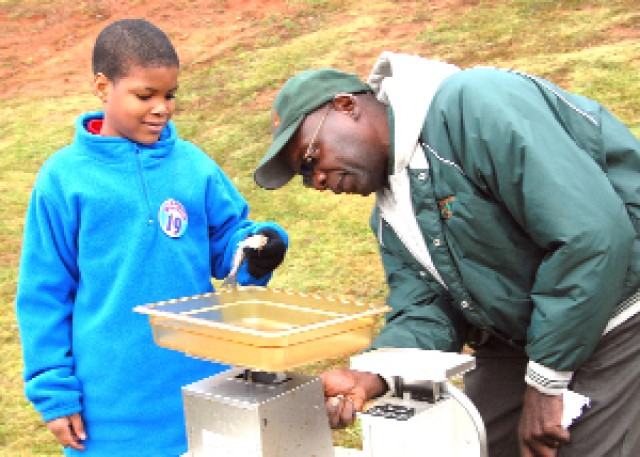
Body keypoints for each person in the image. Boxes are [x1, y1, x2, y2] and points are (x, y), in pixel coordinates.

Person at [253, 51, 640, 457]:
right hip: (523, 336)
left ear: (346, 106)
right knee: (479, 444)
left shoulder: (476, 105)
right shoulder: (390, 216)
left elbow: (591, 236)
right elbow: (426, 308)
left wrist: (545, 383)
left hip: (617, 311)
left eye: (312, 158)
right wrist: (372, 373)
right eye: (304, 177)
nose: (317, 180)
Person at [15, 18, 288, 457]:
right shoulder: (63, 179)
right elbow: (44, 294)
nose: (161, 107)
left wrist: (260, 247)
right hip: (109, 409)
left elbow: (228, 243)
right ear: (103, 88)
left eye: (170, 95)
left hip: (203, 383)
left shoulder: (193, 165)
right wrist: (54, 393)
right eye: (145, 95)